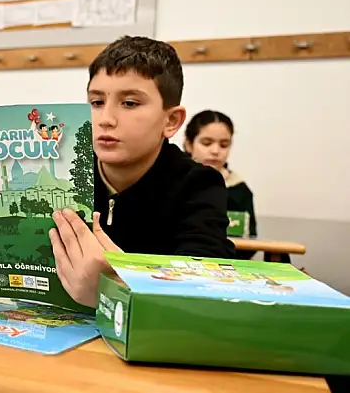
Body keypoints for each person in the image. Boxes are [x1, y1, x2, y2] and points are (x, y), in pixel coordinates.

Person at [48, 36, 235, 308]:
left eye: (130, 103)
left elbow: (201, 292)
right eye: (97, 102)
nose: (105, 119)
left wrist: (114, 288)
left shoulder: (199, 184)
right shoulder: (65, 175)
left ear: (171, 121)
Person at [184, 110, 258, 260]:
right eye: (207, 143)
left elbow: (250, 239)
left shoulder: (239, 189)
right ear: (189, 144)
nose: (215, 151)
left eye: (224, 145)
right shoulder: (173, 180)